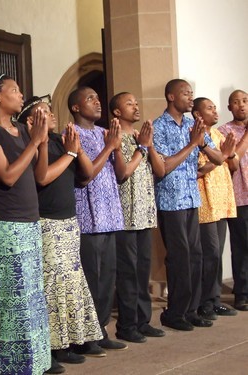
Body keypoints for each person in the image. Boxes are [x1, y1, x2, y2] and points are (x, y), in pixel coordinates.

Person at [18, 96, 102, 374]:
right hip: (47, 221)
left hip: (69, 220)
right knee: (53, 286)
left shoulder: (59, 140)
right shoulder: (33, 144)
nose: (51, 115)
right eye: (43, 113)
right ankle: (53, 346)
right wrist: (67, 154)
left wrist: (75, 149)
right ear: (31, 120)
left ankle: (74, 340)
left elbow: (87, 174)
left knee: (71, 282)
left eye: (51, 111)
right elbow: (42, 178)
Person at [0, 72, 51, 375]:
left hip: (30, 218)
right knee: (16, 297)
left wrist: (41, 142)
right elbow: (6, 176)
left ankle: (38, 362)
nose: (21, 96)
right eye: (15, 90)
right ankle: (15, 366)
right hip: (7, 222)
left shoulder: (22, 129)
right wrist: (34, 141)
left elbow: (38, 175)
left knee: (34, 295)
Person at [153, 79, 233, 331]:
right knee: (179, 257)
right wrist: (192, 144)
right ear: (171, 96)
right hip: (171, 200)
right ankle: (174, 312)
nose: (191, 97)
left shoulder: (192, 124)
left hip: (191, 198)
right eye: (185, 93)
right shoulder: (159, 126)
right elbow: (164, 167)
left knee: (195, 256)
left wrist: (203, 144)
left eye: (191, 93)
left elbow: (219, 158)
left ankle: (191, 309)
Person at [67, 86, 127, 357]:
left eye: (97, 97)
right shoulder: (71, 134)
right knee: (91, 279)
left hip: (110, 215)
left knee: (107, 279)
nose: (97, 101)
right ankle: (86, 337)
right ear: (76, 107)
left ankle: (101, 330)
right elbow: (84, 175)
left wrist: (117, 146)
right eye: (90, 98)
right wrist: (109, 147)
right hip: (87, 217)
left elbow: (121, 173)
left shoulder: (106, 132)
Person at [108, 92, 166, 343]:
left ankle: (143, 321)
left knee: (143, 271)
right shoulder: (114, 137)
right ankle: (127, 325)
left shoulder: (141, 137)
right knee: (128, 272)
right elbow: (122, 174)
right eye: (129, 103)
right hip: (124, 215)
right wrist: (141, 148)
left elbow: (161, 170)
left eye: (136, 102)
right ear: (117, 112)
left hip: (144, 213)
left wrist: (148, 145)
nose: (136, 106)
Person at [191, 97, 238, 320]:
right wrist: (223, 157)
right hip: (205, 201)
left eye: (214, 107)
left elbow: (233, 164)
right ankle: (204, 302)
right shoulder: (195, 135)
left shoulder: (218, 135)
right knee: (208, 253)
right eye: (209, 108)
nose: (215, 111)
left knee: (216, 254)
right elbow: (199, 170)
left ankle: (215, 299)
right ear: (198, 114)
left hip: (221, 201)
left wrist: (229, 155)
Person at [218, 89, 248, 312]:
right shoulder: (224, 131)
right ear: (229, 107)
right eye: (236, 102)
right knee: (241, 246)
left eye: (245, 101)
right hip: (239, 195)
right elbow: (231, 161)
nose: (241, 105)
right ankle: (242, 294)